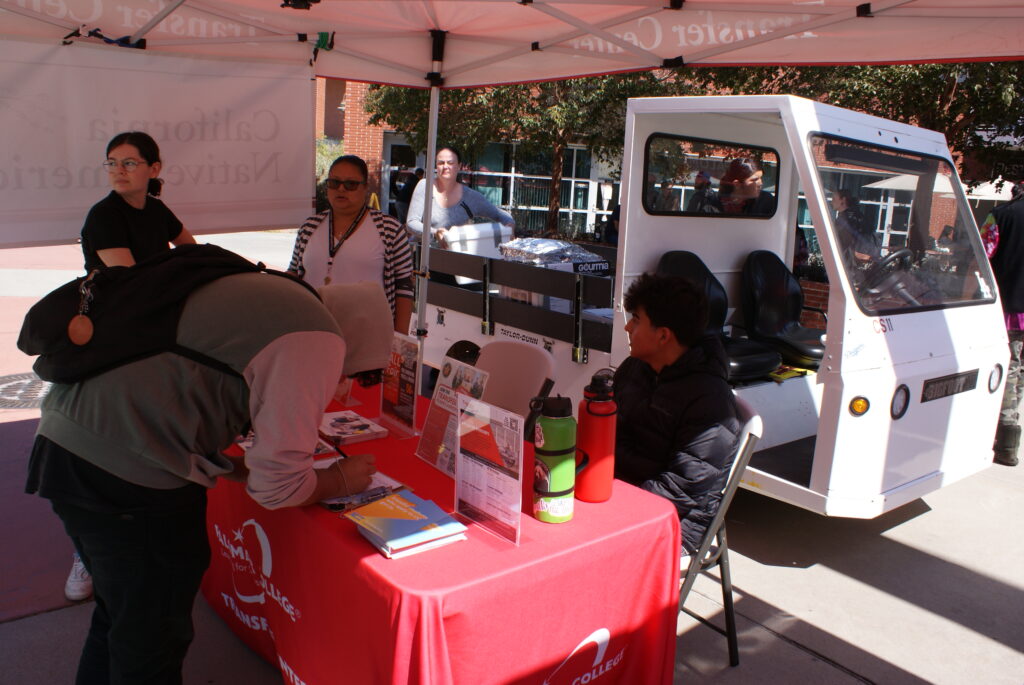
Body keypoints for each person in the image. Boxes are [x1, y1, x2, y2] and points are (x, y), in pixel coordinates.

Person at [24, 270, 392, 683]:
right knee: (150, 639)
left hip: (67, 444)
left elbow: (179, 380)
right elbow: (278, 488)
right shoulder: (319, 335)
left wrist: (234, 466)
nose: (347, 386)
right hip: (127, 474)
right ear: (358, 337)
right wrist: (339, 479)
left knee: (121, 615)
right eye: (362, 372)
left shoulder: (275, 295)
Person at [613, 273, 741, 554]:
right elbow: (607, 432)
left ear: (663, 335)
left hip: (673, 525)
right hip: (621, 494)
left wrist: (611, 504)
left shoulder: (710, 401)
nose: (627, 326)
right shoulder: (636, 368)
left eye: (636, 318)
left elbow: (679, 491)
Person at [288, 154, 414, 334]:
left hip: (368, 338)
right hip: (313, 331)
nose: (341, 189)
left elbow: (404, 288)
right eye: (334, 182)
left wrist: (398, 340)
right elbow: (293, 274)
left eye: (350, 184)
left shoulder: (390, 229)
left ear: (365, 187)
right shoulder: (309, 227)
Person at [80, 131, 196, 272]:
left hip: (159, 290)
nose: (119, 170)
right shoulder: (103, 215)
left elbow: (194, 251)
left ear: (154, 169)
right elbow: (132, 279)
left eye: (129, 163)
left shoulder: (156, 208)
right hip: (126, 293)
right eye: (112, 163)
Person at [981, 180, 1024, 466]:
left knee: (1008, 366)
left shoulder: (1001, 215)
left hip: (1009, 305)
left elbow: (982, 255)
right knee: (1019, 367)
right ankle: (1009, 431)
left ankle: (1006, 436)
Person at [406, 147, 515, 249]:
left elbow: (502, 215)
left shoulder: (470, 197)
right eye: (441, 163)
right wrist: (435, 233)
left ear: (459, 166)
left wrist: (509, 226)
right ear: (436, 166)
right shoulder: (425, 186)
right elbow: (411, 223)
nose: (445, 166)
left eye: (450, 162)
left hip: (457, 261)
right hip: (423, 259)